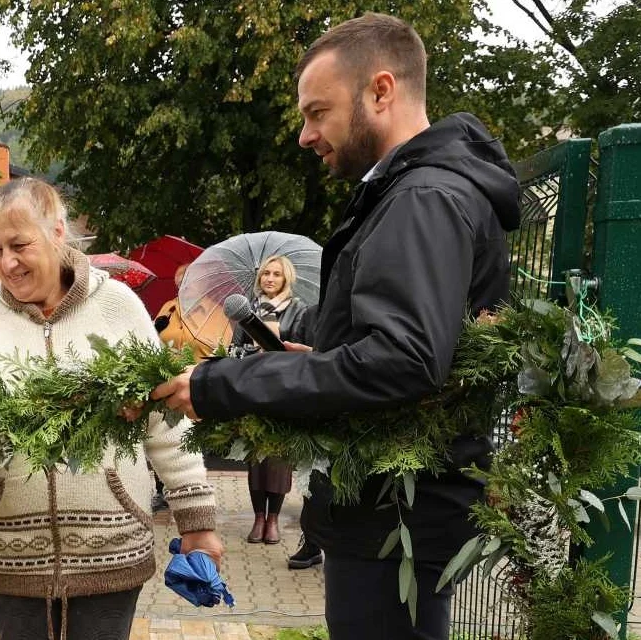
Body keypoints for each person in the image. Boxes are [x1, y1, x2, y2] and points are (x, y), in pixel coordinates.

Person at [153, 13, 520, 640]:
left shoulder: (422, 200)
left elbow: (402, 360)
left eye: (317, 112)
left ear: (381, 91)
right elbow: (403, 346)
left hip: (394, 516)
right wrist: (321, 350)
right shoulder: (410, 194)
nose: (305, 134)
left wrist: (224, 386)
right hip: (387, 511)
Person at [0, 177, 223, 640]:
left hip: (113, 542)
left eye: (20, 244)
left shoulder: (118, 307)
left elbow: (165, 419)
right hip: (12, 550)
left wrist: (196, 519)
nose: (8, 262)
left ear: (58, 233)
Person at [228, 255, 307, 546]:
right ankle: (258, 517)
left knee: (278, 458)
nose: (269, 279)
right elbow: (233, 348)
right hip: (253, 388)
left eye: (276, 274)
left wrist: (276, 351)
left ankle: (273, 518)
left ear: (286, 279)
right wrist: (251, 354)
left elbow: (302, 348)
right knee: (256, 456)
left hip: (285, 391)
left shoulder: (298, 310)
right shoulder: (247, 310)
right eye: (265, 274)